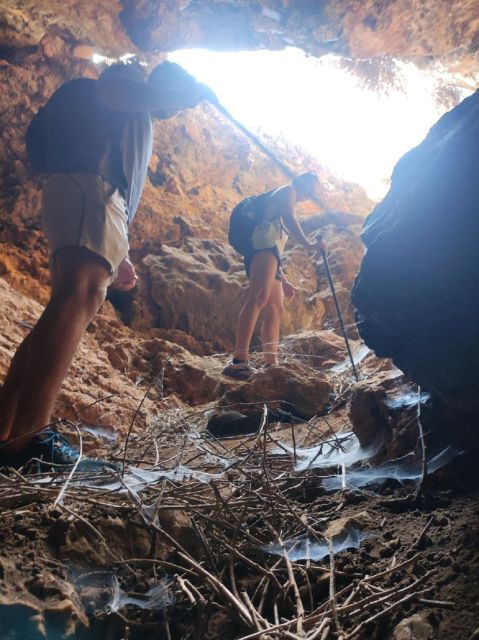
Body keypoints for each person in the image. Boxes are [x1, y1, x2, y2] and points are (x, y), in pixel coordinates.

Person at [0, 60, 213, 470]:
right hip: (90, 189)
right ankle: (29, 439)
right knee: (81, 294)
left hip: (85, 195)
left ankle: (7, 431)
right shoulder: (129, 81)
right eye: (178, 99)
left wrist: (123, 251)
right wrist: (186, 93)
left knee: (66, 303)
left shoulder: (132, 118)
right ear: (166, 87)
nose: (178, 110)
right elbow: (114, 93)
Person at [223, 172, 326, 380]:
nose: (312, 193)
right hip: (263, 247)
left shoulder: (284, 198)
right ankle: (239, 361)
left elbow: (277, 247)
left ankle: (271, 363)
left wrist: (284, 280)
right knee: (259, 297)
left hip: (269, 250)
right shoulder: (288, 190)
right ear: (302, 182)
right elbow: (289, 218)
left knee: (276, 308)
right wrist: (309, 245)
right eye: (312, 187)